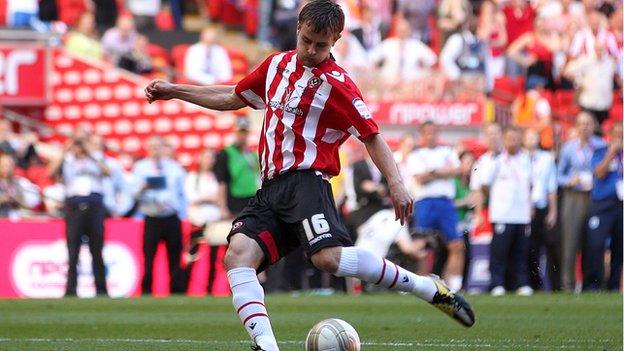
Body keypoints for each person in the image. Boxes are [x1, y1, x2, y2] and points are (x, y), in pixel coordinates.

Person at [145, 1, 474, 349]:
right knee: (237, 255)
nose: (312, 50)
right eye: (307, 41)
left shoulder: (338, 85)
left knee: (327, 258)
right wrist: (176, 91)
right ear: (299, 27)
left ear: (336, 40)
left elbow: (372, 136)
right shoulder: (275, 65)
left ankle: (425, 287)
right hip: (271, 187)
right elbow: (232, 96)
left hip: (307, 182)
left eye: (322, 45)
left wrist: (396, 183)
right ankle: (266, 346)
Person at [49, 135, 110, 297]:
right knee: (73, 250)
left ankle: (102, 289)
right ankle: (70, 290)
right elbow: (51, 172)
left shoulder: (96, 158)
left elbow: (108, 172)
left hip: (94, 207)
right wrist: (65, 150)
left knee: (97, 250)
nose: (79, 148)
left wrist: (90, 153)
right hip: (74, 208)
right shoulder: (67, 160)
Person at [406, 121, 464, 292]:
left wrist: (432, 172)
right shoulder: (416, 155)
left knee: (456, 244)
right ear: (422, 134)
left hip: (446, 202)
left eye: (433, 132)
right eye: (427, 132)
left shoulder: (448, 151)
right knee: (422, 245)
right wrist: (441, 172)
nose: (430, 135)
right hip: (425, 202)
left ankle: (453, 286)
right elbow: (419, 178)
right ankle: (421, 286)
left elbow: (457, 171)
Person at [476, 126, 534, 296]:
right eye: (509, 138)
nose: (512, 142)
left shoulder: (526, 159)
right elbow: (485, 185)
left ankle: (520, 283)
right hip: (502, 213)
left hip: (521, 213)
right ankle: (497, 283)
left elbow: (530, 184)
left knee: (520, 251)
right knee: (499, 251)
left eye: (516, 138)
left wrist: (529, 206)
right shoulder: (497, 160)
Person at [557, 112, 605, 291]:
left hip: (596, 196)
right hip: (574, 197)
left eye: (588, 123)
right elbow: (559, 175)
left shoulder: (601, 146)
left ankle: (591, 284)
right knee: (570, 241)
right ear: (576, 127)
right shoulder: (569, 148)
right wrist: (570, 180)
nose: (585, 127)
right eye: (581, 124)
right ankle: (567, 285)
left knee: (594, 241)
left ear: (593, 126)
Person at [133, 136, 187, 295]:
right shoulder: (140, 167)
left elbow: (182, 193)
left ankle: (176, 291)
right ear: (147, 149)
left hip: (171, 216)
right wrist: (143, 188)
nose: (155, 150)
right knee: (149, 257)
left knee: (175, 257)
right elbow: (133, 194)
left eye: (158, 147)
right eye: (152, 147)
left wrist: (181, 213)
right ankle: (147, 290)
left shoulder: (175, 168)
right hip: (152, 216)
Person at [583, 123, 622, 291]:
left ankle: (613, 286)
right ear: (610, 135)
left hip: (621, 205)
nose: (620, 139)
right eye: (617, 135)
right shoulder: (600, 152)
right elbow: (599, 173)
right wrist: (612, 153)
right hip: (602, 205)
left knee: (619, 248)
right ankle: (593, 285)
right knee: (596, 245)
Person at [523, 128, 559, 291]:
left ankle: (556, 285)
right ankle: (533, 284)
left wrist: (553, 211)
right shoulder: (520, 159)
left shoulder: (546, 159)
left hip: (542, 207)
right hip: (523, 210)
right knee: (530, 248)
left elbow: (551, 186)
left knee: (551, 245)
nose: (531, 140)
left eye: (534, 136)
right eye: (528, 137)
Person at [185, 148, 221, 292]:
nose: (209, 161)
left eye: (211, 158)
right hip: (197, 220)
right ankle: (186, 286)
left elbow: (219, 199)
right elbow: (191, 198)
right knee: (193, 255)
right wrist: (209, 198)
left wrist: (203, 198)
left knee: (214, 256)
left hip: (214, 221)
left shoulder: (217, 177)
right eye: (206, 157)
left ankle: (210, 288)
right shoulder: (193, 177)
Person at [0, 154, 40, 219]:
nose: (7, 168)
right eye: (4, 166)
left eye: (9, 166)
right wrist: (3, 199)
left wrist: (18, 198)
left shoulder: (20, 182)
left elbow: (29, 201)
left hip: (16, 214)